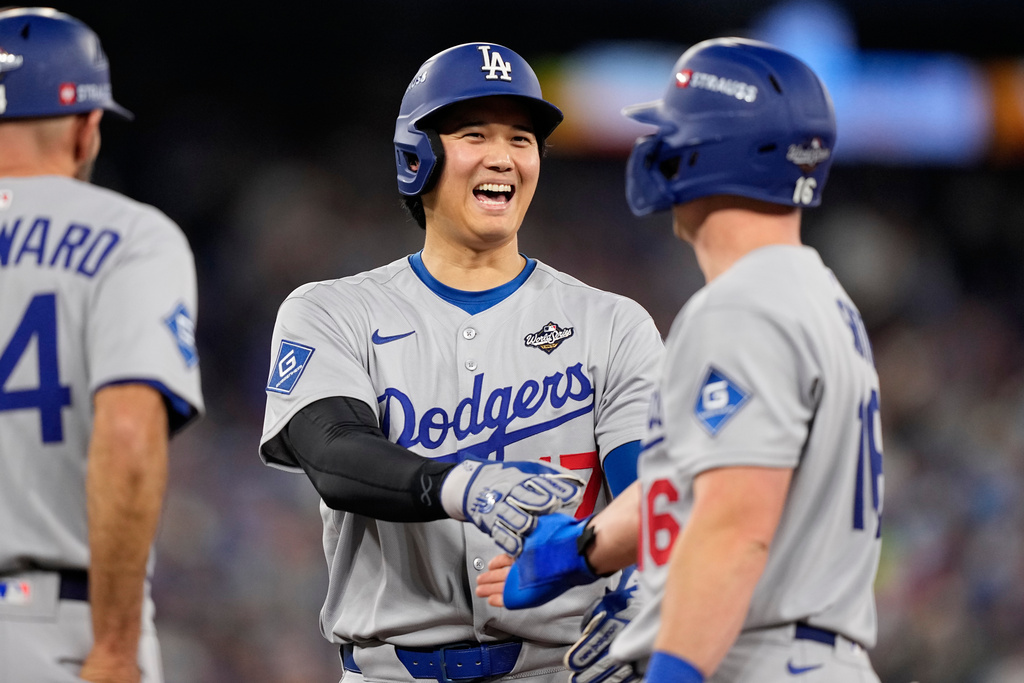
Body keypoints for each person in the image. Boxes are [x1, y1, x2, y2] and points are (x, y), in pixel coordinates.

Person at [477, 37, 884, 683]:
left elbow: (733, 526)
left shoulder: (743, 306)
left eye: (672, 133)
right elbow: (712, 483)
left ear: (710, 150)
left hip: (755, 657)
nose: (656, 150)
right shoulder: (816, 299)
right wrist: (583, 549)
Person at [258, 42, 664, 683]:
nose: (503, 156)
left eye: (522, 138)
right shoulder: (333, 310)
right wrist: (461, 486)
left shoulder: (611, 324)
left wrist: (647, 585)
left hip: (561, 669)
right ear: (417, 156)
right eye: (475, 133)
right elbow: (333, 450)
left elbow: (652, 490)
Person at [0, 8, 204, 683]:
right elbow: (126, 436)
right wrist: (114, 647)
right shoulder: (130, 237)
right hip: (52, 625)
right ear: (88, 127)